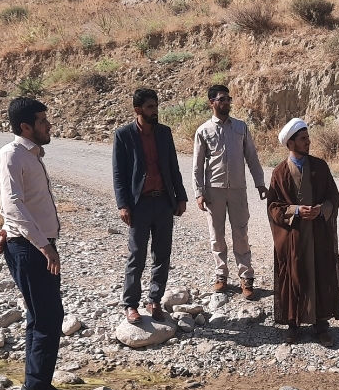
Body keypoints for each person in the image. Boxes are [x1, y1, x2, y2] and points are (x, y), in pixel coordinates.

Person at [0, 97, 72, 390]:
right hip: (30, 248)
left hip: (33, 244)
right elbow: (12, 205)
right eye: (42, 121)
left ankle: (41, 384)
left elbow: (17, 205)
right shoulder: (12, 156)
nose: (48, 125)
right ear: (25, 126)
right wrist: (44, 246)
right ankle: (34, 388)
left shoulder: (30, 155)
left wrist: (6, 230)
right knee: (46, 316)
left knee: (44, 316)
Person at [112, 88, 188, 324]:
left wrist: (181, 196)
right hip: (139, 204)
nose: (155, 111)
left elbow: (173, 167)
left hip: (164, 201)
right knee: (137, 255)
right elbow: (118, 174)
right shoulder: (123, 134)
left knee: (162, 254)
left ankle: (154, 300)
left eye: (156, 106)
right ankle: (131, 304)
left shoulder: (164, 132)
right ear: (138, 110)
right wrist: (123, 204)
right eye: (150, 107)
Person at [267, 118, 339, 346]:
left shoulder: (320, 166)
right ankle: (293, 324)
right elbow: (273, 207)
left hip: (318, 233)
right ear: (290, 143)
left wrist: (321, 209)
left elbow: (333, 197)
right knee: (294, 276)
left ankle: (321, 325)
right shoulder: (280, 172)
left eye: (308, 138)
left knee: (320, 274)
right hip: (294, 236)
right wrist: (296, 210)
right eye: (303, 139)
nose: (308, 142)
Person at [193, 84, 268, 299]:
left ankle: (246, 278)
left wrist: (260, 183)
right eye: (222, 99)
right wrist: (199, 192)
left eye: (228, 99)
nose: (226, 102)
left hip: (237, 190)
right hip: (213, 191)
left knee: (241, 233)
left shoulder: (241, 127)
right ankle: (221, 275)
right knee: (217, 235)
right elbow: (197, 165)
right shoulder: (203, 131)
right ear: (212, 103)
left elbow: (251, 156)